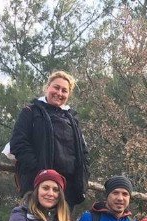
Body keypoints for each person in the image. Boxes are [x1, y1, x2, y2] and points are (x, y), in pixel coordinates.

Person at [7, 71, 89, 208]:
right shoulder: (30, 111)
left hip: (67, 189)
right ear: (47, 87)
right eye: (56, 87)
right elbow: (18, 143)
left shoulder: (73, 120)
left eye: (64, 90)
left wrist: (82, 178)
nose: (59, 93)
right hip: (38, 184)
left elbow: (83, 152)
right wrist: (39, 171)